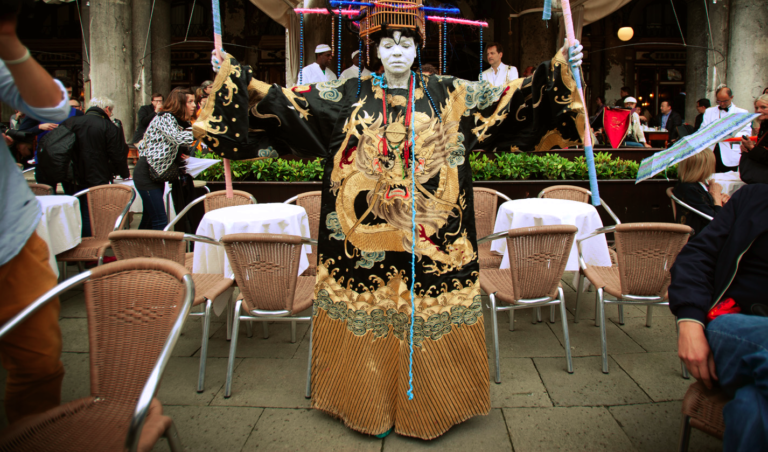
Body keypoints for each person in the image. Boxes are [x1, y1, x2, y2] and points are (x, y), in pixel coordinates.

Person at [195, 27, 586, 439]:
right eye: (387, 44)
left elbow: (510, 99)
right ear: (375, 50)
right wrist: (236, 77)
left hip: (433, 236)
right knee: (370, 309)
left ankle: (436, 406)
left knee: (430, 307)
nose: (396, 52)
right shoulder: (350, 92)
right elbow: (289, 104)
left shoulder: (447, 92)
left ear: (419, 48)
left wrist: (559, 67)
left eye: (405, 43)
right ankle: (364, 403)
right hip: (366, 239)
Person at [0, 5, 70, 425]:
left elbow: (55, 109)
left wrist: (8, 40)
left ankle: (36, 435)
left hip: (11, 236)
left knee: (40, 366)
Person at [669, 184, 768, 451]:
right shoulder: (753, 197)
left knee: (751, 408)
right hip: (734, 327)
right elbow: (697, 254)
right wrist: (689, 319)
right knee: (733, 326)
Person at [64, 97, 130, 237]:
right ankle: (91, 244)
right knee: (92, 211)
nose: (111, 114)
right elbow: (117, 155)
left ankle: (75, 240)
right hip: (97, 175)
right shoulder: (108, 126)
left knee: (76, 209)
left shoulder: (70, 122)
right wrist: (124, 173)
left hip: (72, 175)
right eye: (111, 111)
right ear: (106, 109)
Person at [133, 87, 195, 230]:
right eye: (190, 101)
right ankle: (160, 252)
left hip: (155, 173)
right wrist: (203, 132)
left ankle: (134, 247)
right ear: (180, 103)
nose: (193, 105)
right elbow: (177, 138)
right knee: (160, 220)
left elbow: (175, 144)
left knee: (149, 218)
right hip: (146, 172)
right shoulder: (165, 117)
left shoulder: (180, 122)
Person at [672, 149, 726, 235]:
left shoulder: (693, 185)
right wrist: (717, 199)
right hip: (701, 237)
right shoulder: (690, 189)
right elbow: (717, 222)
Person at [702, 86, 751, 172]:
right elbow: (703, 129)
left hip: (730, 152)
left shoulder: (742, 113)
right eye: (719, 101)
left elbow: (746, 132)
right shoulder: (709, 111)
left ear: (731, 97)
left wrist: (728, 134)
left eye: (725, 101)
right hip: (712, 152)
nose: (722, 104)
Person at [739, 94, 768, 184]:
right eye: (756, 108)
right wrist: (748, 149)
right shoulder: (764, 124)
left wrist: (752, 148)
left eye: (763, 107)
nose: (759, 110)